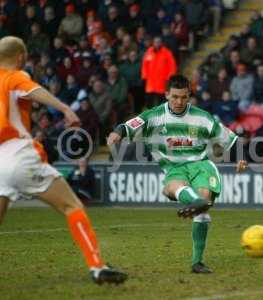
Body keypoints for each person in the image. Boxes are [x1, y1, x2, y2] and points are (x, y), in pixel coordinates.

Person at [0, 36, 127, 284]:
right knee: (72, 206)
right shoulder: (13, 76)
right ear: (21, 58)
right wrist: (66, 109)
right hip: (18, 154)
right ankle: (97, 266)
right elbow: (32, 90)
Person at [107, 75, 247, 274]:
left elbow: (232, 140)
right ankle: (196, 202)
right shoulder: (153, 117)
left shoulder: (203, 117)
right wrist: (116, 134)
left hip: (200, 165)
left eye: (183, 97)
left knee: (203, 203)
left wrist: (241, 159)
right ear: (166, 95)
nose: (179, 102)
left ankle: (197, 262)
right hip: (173, 167)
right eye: (174, 97)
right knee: (171, 188)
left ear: (189, 96)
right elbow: (127, 126)